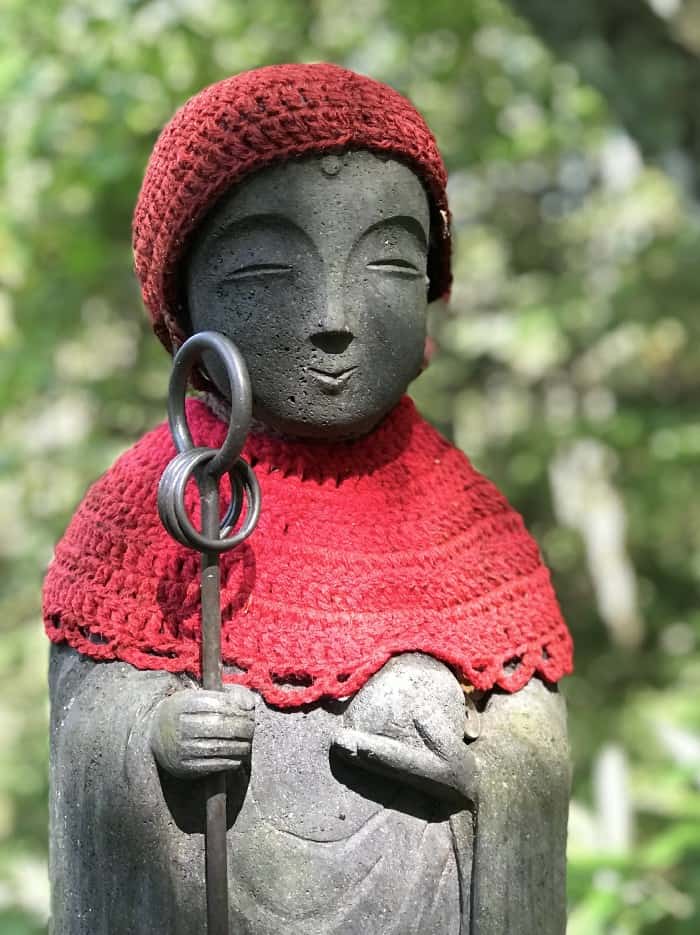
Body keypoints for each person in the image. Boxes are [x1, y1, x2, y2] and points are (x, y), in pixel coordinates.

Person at [45, 63, 572, 934]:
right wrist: (154, 736)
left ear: (432, 287)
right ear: (184, 293)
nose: (334, 316)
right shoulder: (152, 504)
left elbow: (534, 741)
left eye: (389, 262)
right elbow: (83, 722)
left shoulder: (468, 524)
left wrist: (485, 759)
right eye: (264, 268)